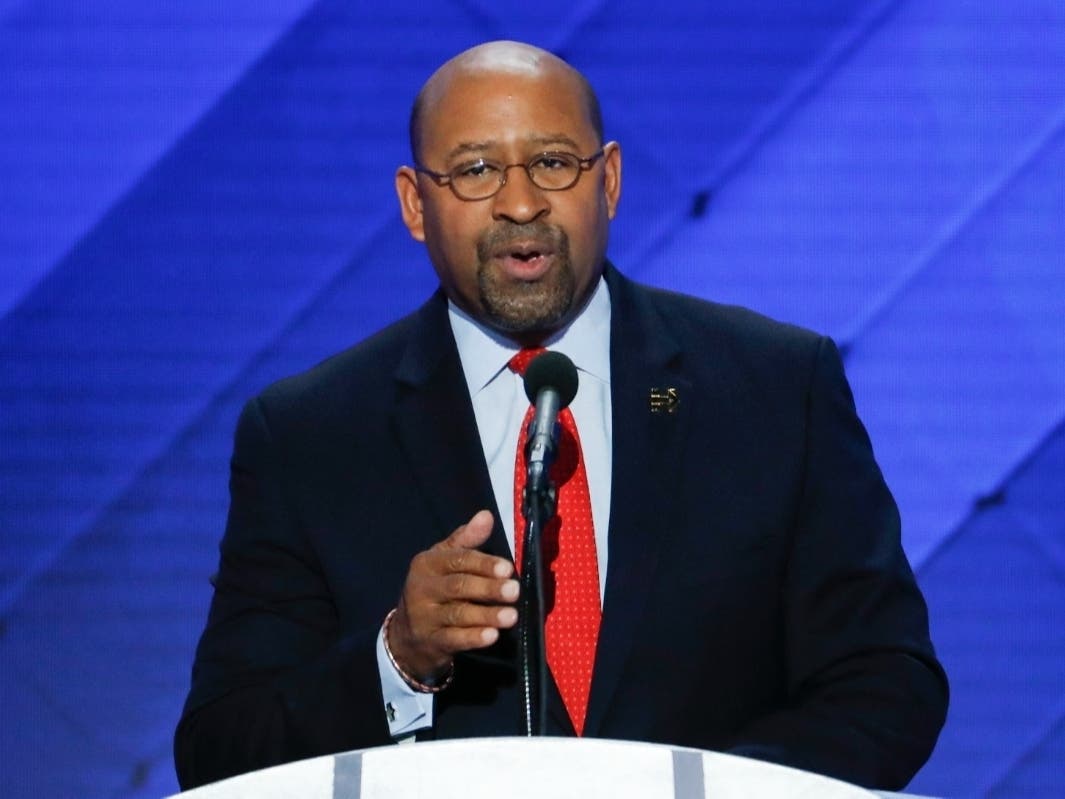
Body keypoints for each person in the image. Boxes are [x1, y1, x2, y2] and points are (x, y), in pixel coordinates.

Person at [174, 40, 948, 791]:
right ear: (415, 203)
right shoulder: (309, 435)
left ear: (607, 180)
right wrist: (398, 655)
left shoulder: (775, 386)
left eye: (551, 162)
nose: (520, 203)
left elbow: (883, 678)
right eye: (475, 170)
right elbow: (222, 749)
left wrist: (715, 793)